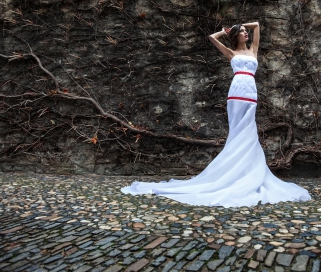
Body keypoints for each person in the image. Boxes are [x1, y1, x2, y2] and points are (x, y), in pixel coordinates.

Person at [121, 22, 311, 207]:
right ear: (235, 35)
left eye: (246, 31)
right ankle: (232, 173)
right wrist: (225, 31)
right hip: (236, 94)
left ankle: (245, 172)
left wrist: (241, 24)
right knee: (237, 133)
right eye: (242, 32)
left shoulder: (253, 49)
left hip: (251, 94)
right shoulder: (231, 53)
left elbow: (257, 25)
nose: (246, 33)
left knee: (249, 133)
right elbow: (212, 38)